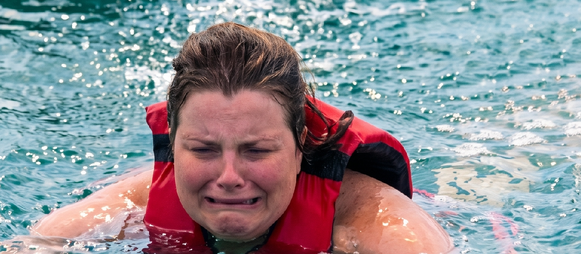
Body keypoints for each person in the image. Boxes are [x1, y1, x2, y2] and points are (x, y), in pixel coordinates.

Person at [31, 22, 454, 254]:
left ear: (300, 144)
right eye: (203, 149)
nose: (229, 176)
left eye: (256, 150)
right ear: (174, 145)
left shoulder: (386, 231)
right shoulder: (130, 208)